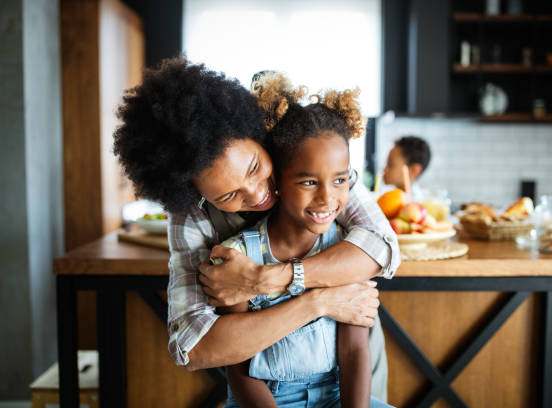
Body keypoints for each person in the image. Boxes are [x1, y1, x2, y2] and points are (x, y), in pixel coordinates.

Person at [112, 56, 400, 402]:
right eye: (228, 195)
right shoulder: (192, 218)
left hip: (349, 377)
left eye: (254, 168)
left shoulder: (308, 162)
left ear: (260, 138)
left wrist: (268, 279)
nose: (257, 193)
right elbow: (195, 346)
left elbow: (381, 247)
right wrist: (319, 302)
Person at [215, 73, 390, 407]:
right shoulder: (239, 258)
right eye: (309, 182)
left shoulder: (346, 252)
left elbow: (354, 350)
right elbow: (239, 371)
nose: (327, 198)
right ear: (276, 182)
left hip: (336, 397)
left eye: (340, 180)